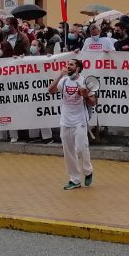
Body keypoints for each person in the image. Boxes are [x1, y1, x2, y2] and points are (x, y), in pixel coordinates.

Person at [49, 59, 97, 190]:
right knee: (68, 151)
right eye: (67, 64)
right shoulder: (63, 81)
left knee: (81, 148)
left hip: (80, 121)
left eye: (71, 64)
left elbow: (94, 102)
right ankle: (74, 179)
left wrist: (86, 96)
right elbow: (51, 90)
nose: (68, 66)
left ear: (78, 68)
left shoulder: (85, 82)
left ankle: (88, 171)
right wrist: (60, 74)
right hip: (65, 121)